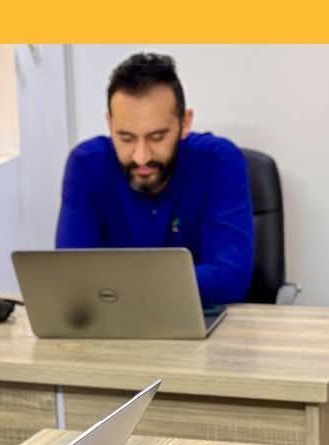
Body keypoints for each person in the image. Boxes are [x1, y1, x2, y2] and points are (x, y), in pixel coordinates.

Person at [55, 52, 254, 306]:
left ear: (184, 123)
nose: (141, 157)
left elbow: (231, 278)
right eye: (126, 138)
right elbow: (71, 276)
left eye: (157, 137)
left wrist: (113, 286)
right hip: (112, 324)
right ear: (110, 124)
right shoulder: (86, 164)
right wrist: (164, 284)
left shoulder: (219, 161)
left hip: (198, 319)